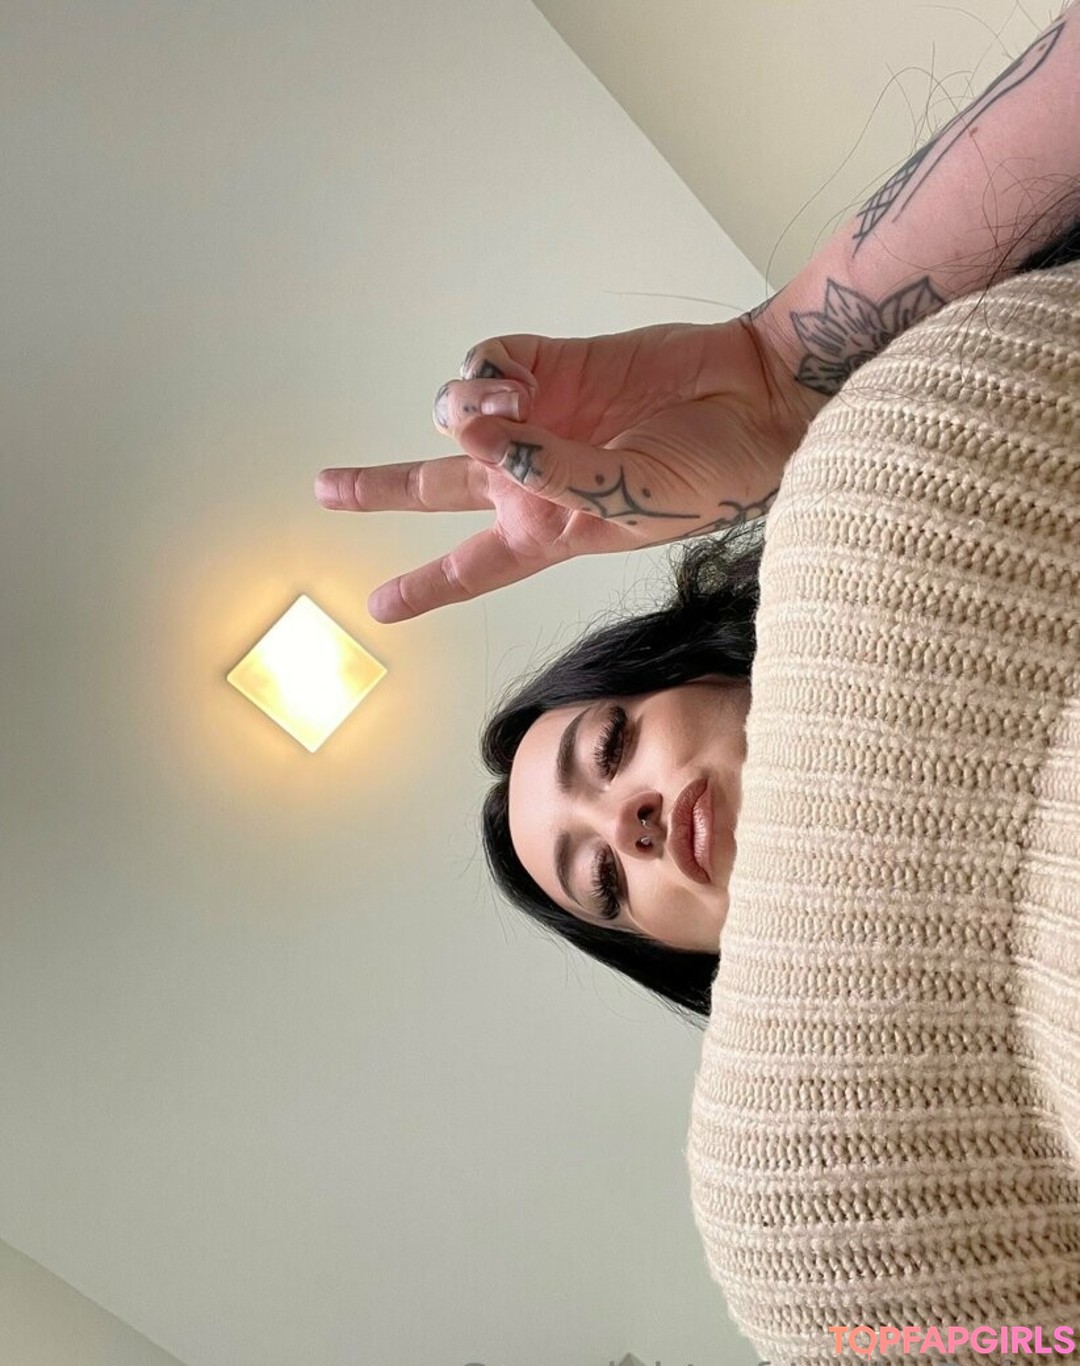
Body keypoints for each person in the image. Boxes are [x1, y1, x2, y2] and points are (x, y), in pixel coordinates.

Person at [314, 2, 1080, 1024]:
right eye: (605, 882)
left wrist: (775, 375)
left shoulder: (935, 494)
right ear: (687, 955)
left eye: (611, 747)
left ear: (698, 669)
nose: (626, 826)